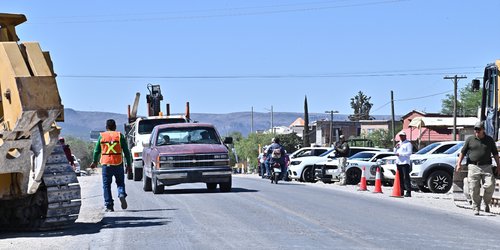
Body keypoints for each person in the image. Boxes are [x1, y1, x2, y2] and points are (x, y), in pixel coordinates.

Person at [456, 121, 500, 215]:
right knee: (473, 187)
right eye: (475, 129)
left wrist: (498, 166)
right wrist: (459, 163)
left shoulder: (489, 140)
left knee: (490, 185)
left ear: (483, 129)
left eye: (478, 129)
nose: (476, 131)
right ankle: (476, 207)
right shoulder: (470, 140)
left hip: (487, 166)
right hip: (473, 166)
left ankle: (486, 202)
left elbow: (495, 154)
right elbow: (463, 152)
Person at [90, 119, 132, 212]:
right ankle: (121, 194)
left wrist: (94, 162)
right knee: (120, 182)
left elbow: (96, 151)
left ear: (106, 127)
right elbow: (126, 152)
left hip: (106, 164)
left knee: (106, 185)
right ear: (115, 127)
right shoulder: (119, 136)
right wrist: (129, 164)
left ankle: (109, 206)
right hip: (118, 163)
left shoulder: (102, 136)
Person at [394, 131, 413, 197]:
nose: (401, 137)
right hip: (399, 162)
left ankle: (408, 191)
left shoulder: (408, 144)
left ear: (405, 136)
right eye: (400, 136)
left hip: (405, 162)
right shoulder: (399, 143)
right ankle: (401, 191)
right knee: (400, 178)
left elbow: (409, 153)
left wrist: (400, 154)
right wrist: (395, 148)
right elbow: (395, 152)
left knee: (406, 177)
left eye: (402, 136)